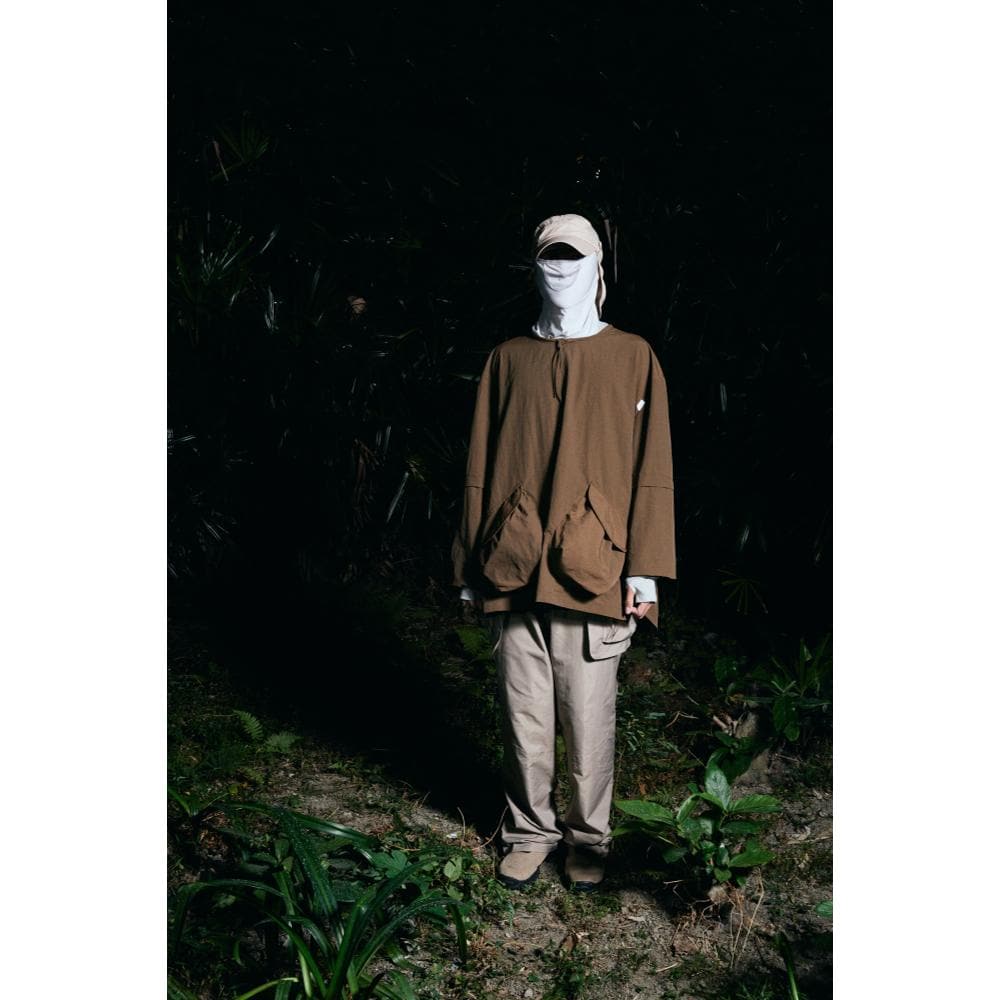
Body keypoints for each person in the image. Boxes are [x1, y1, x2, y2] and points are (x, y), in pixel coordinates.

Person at [451, 213, 676, 890]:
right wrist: (469, 565)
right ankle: (529, 832)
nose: (561, 267)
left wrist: (645, 570)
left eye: (574, 256)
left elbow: (652, 467)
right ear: (533, 266)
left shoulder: (632, 355)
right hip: (513, 562)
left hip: (594, 565)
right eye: (550, 255)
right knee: (523, 715)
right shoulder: (508, 358)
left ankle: (588, 840)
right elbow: (479, 463)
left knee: (587, 717)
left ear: (597, 266)